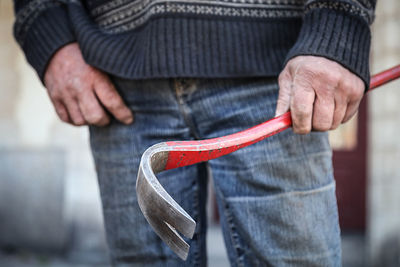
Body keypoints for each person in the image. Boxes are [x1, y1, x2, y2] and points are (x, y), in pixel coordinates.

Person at [13, 0, 376, 266]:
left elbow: (340, 23)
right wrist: (51, 40)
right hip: (117, 79)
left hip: (272, 75)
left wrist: (338, 25)